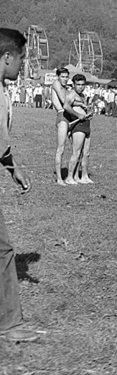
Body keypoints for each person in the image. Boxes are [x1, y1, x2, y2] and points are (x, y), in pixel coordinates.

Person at [0, 29, 37, 342]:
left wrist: (13, 170)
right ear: (7, 57)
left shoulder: (2, 90)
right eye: (22, 58)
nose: (23, 65)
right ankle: (9, 324)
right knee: (3, 250)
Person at [62, 74, 94, 184]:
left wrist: (88, 113)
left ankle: (84, 176)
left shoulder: (83, 96)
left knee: (86, 153)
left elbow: (83, 108)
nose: (81, 87)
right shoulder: (71, 95)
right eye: (78, 84)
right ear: (74, 84)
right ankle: (69, 177)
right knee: (76, 152)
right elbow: (66, 106)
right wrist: (77, 115)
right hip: (77, 126)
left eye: (83, 84)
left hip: (86, 124)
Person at [50, 67, 71, 185]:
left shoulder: (66, 88)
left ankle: (71, 176)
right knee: (61, 148)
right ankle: (59, 178)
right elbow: (64, 100)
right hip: (62, 115)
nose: (65, 79)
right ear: (58, 77)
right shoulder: (56, 84)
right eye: (62, 76)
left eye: (66, 77)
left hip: (70, 116)